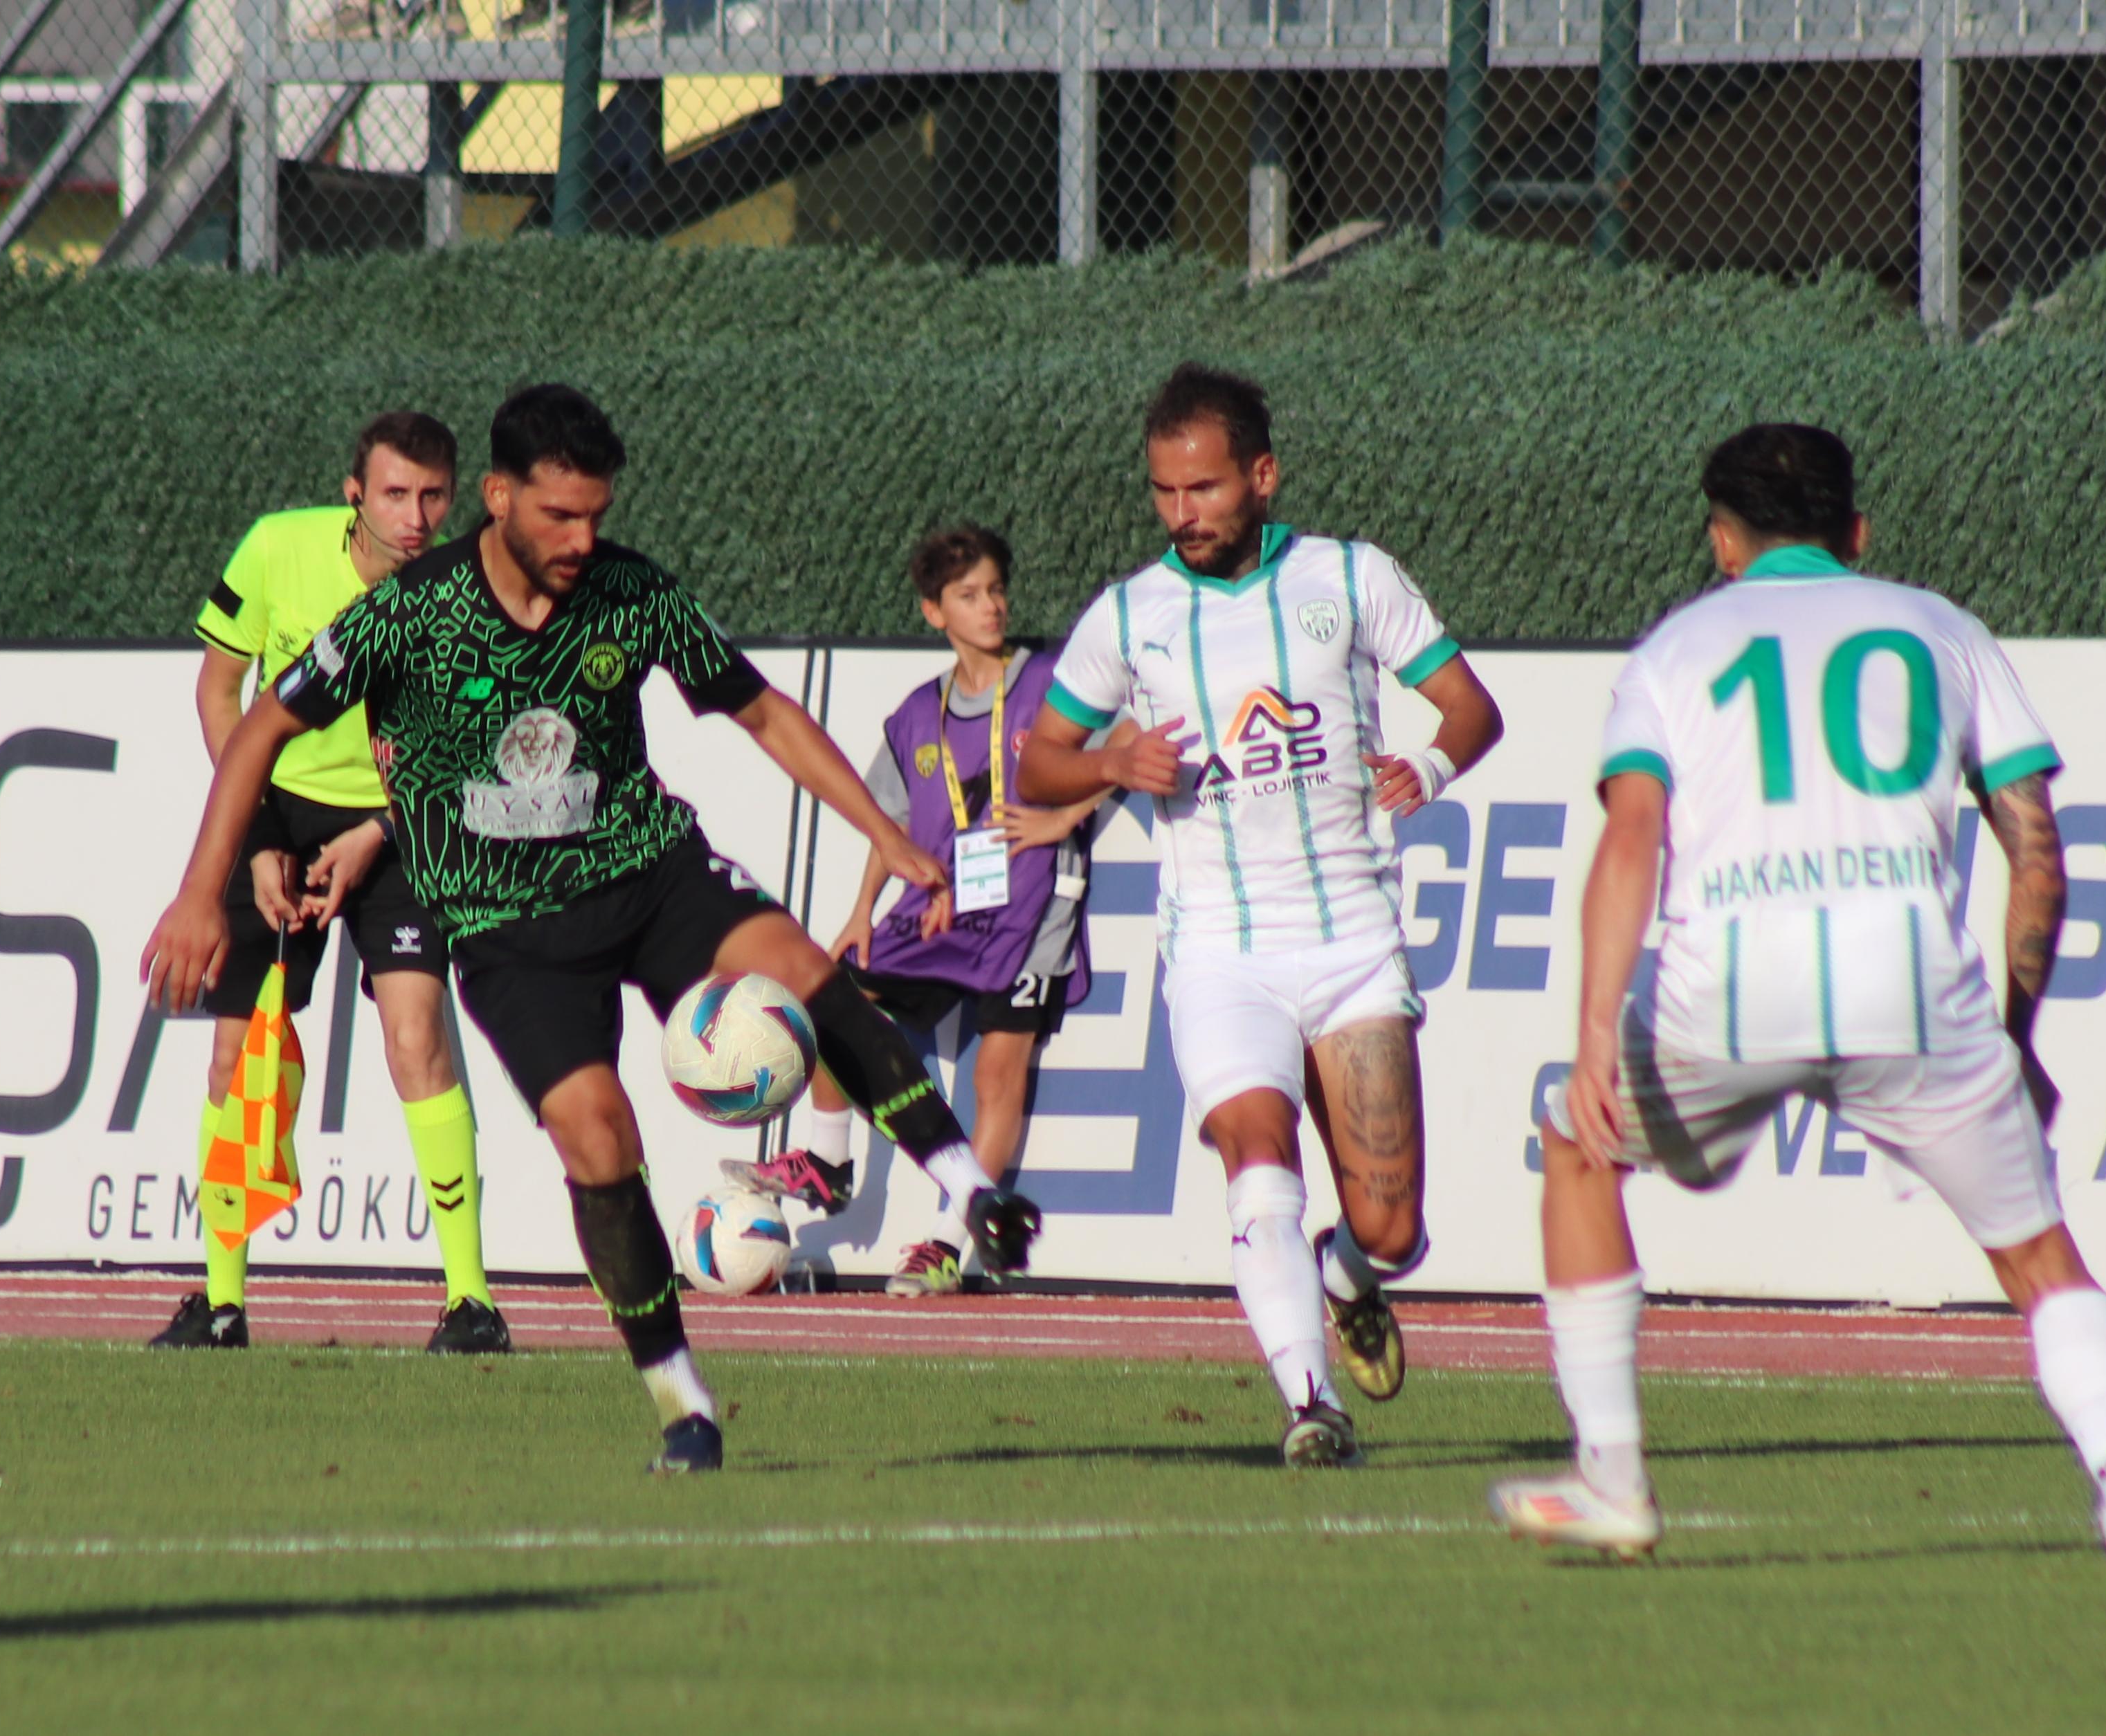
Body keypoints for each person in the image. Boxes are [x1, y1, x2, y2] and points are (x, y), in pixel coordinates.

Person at [140, 385, 1041, 1473]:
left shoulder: (630, 593)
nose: (581, 540)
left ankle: (971, 1192)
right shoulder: (406, 613)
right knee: (597, 1139)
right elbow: (259, 729)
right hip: (508, 927)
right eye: (558, 517)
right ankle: (681, 1401)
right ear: (499, 496)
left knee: (804, 967)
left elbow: (759, 708)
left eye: (595, 516)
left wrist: (881, 835)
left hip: (646, 869)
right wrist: (203, 890)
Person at [1485, 423, 2106, 1580]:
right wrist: (2010, 1038)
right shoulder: (1938, 627)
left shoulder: (1672, 648)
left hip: (1723, 980)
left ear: (1721, 542)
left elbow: (1628, 844)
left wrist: (1588, 1046)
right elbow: (2038, 856)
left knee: (1576, 1150)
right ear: (1856, 534)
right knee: (2036, 1255)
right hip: (1906, 979)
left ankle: (1611, 1475)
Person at [1020, 363, 1504, 1467]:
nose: (1180, 514)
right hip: (1218, 955)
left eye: (1202, 489)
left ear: (1262, 476)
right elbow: (1037, 766)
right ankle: (1306, 1402)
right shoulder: (1128, 616)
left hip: (1350, 944)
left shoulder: (1350, 576)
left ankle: (1350, 1281)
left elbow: (1471, 707)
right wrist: (1111, 759)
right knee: (1255, 1152)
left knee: (1388, 1226)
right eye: (1162, 492)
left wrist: (1426, 767)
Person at [149, 411, 507, 1355]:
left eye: (434, 495)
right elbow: (218, 694)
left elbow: (477, 744)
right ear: (356, 492)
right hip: (277, 807)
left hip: (406, 822)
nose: (416, 515)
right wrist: (260, 836)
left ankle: (470, 1304)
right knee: (236, 1058)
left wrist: (378, 833)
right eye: (395, 493)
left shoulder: (471, 587)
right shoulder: (277, 546)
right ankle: (221, 1306)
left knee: (415, 1035)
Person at [726, 525, 1125, 1297]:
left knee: (1001, 1069)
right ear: (933, 612)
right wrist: (860, 911)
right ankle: (829, 1160)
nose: (992, 607)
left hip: (1031, 912)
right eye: (970, 596)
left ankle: (948, 1241)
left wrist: (1061, 818)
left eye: (997, 590)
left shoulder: (1048, 682)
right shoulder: (918, 714)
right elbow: (892, 822)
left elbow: (1132, 740)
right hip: (941, 908)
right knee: (832, 996)